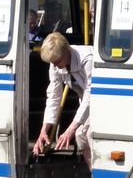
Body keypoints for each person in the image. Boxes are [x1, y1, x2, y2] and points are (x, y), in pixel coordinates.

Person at [32, 33, 92, 167]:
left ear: (67, 51)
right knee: (81, 136)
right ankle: (94, 176)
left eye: (57, 62)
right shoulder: (56, 62)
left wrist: (69, 130)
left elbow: (90, 95)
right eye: (52, 63)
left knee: (87, 135)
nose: (55, 66)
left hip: (100, 99)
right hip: (85, 100)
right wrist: (44, 130)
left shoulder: (87, 59)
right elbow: (53, 95)